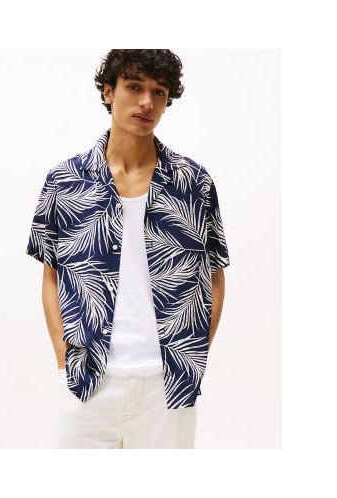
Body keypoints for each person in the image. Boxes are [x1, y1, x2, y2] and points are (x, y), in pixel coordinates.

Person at [26, 49, 230, 449]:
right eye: (134, 87)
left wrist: (192, 354)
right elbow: (51, 275)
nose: (146, 102)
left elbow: (215, 276)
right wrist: (63, 357)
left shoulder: (193, 183)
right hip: (88, 381)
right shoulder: (65, 181)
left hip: (167, 387)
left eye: (159, 92)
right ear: (108, 91)